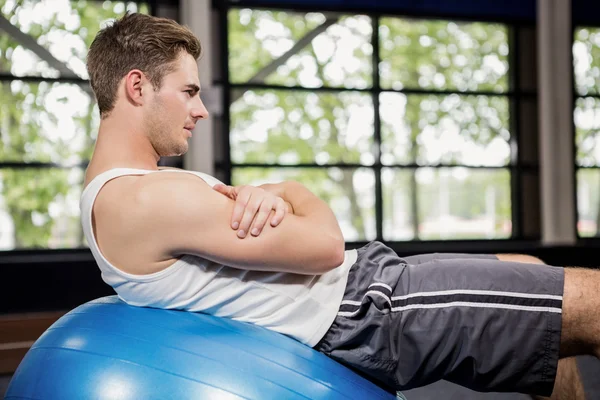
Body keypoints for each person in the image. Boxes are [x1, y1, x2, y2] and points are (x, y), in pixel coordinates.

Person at [80, 12, 595, 400]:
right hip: (368, 309)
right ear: (138, 86)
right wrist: (291, 191)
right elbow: (326, 247)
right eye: (189, 92)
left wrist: (273, 199)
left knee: (531, 270)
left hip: (366, 290)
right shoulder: (147, 197)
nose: (202, 109)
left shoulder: (119, 191)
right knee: (593, 303)